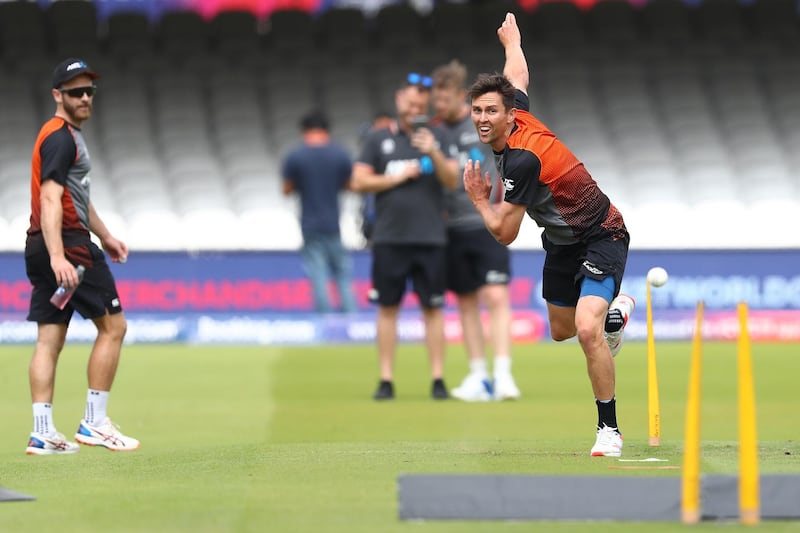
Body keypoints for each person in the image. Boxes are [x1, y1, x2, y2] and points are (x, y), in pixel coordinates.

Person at [462, 14, 635, 457]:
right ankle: (616, 316)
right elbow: (517, 74)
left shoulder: (522, 160)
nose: (483, 119)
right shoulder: (513, 111)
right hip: (561, 243)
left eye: (491, 111)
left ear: (508, 114)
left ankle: (608, 430)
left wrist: (481, 199)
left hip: (602, 234)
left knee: (584, 330)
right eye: (477, 110)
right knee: (561, 330)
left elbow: (504, 232)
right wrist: (513, 42)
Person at [24, 58, 139, 454]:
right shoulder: (61, 137)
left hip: (41, 244)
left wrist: (105, 235)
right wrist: (60, 256)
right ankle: (94, 423)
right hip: (68, 249)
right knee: (114, 328)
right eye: (76, 92)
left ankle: (42, 432)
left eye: (90, 90)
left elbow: (75, 196)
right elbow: (51, 197)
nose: (85, 97)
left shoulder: (59, 134)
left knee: (49, 339)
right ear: (58, 95)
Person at [353, 73, 459, 400]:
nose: (415, 109)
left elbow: (453, 179)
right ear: (399, 99)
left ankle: (438, 379)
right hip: (389, 237)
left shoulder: (438, 134)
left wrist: (434, 153)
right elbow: (359, 181)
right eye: (411, 102)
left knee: (433, 308)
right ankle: (386, 379)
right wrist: (397, 177)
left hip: (430, 237)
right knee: (388, 307)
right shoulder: (378, 139)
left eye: (421, 105)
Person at [431, 60, 520, 402]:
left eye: (444, 99)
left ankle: (503, 375)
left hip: (486, 222)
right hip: (451, 228)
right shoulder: (436, 133)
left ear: (459, 96)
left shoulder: (481, 125)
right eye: (435, 100)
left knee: (496, 297)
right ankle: (479, 376)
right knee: (466, 301)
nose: (439, 106)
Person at [282, 109, 358, 314]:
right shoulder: (339, 154)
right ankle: (351, 318)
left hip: (310, 223)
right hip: (333, 222)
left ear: (305, 130)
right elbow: (350, 185)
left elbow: (287, 189)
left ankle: (325, 321)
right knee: (342, 273)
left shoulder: (296, 156)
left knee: (317, 274)